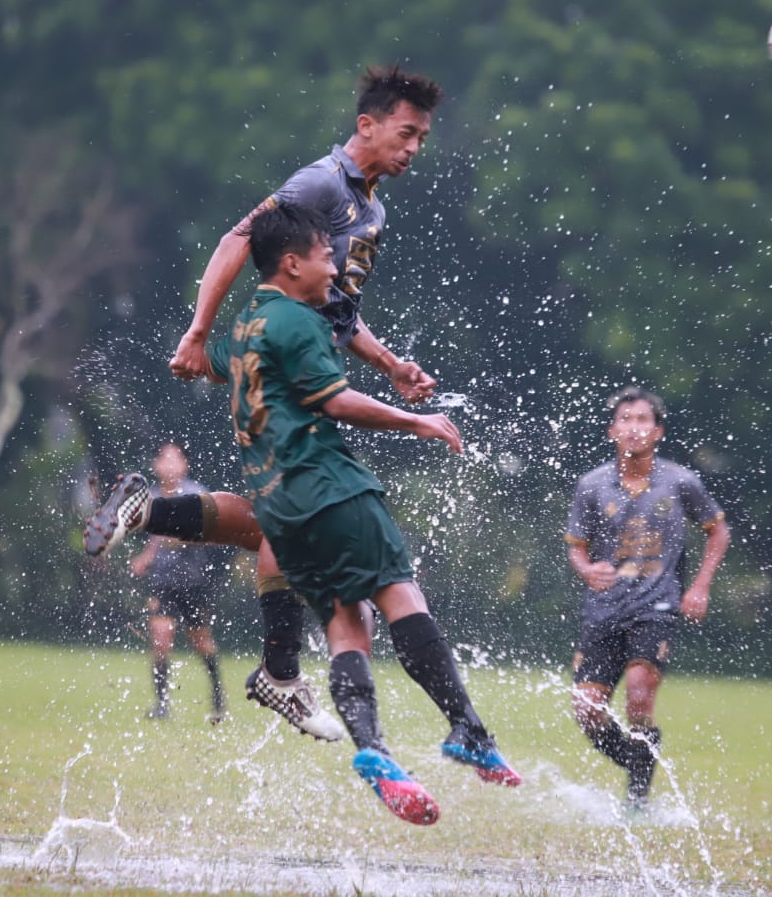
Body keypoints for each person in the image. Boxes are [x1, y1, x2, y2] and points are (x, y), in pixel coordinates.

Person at [91, 65, 445, 742]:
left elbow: (340, 313)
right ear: (366, 125)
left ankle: (145, 512)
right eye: (406, 134)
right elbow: (237, 239)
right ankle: (279, 673)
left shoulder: (373, 209)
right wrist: (197, 332)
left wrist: (391, 364)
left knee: (267, 522)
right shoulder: (320, 183)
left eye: (422, 139)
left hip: (301, 366)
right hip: (285, 368)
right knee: (289, 515)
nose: (413, 149)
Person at [134, 204, 519, 823]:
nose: (335, 266)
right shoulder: (297, 321)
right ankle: (466, 728)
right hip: (331, 487)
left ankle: (374, 750)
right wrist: (413, 419)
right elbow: (334, 400)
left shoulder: (243, 328)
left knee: (347, 624)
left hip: (280, 509)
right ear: (291, 263)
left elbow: (227, 375)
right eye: (324, 255)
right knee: (399, 596)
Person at [566, 388, 731, 807]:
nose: (634, 428)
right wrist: (587, 570)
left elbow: (718, 531)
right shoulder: (591, 485)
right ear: (611, 431)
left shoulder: (680, 482)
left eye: (643, 421)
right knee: (586, 709)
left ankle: (637, 795)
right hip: (603, 609)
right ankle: (638, 760)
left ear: (657, 431)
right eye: (626, 420)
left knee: (639, 696)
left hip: (656, 607)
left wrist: (699, 586)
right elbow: (576, 546)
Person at [129, 442, 231, 724]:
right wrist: (145, 557)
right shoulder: (153, 496)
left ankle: (218, 695)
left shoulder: (195, 494)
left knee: (201, 641)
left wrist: (183, 538)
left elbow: (209, 530)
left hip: (194, 580)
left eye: (176, 459)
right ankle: (161, 704)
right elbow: (155, 537)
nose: (170, 464)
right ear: (156, 466)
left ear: (184, 466)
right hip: (163, 580)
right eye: (164, 458)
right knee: (160, 637)